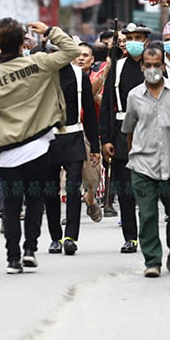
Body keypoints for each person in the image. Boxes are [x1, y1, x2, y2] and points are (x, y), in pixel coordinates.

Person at [0, 20, 78, 274]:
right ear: (24, 41)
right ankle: (30, 249)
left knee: (10, 206)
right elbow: (72, 52)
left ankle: (13, 257)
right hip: (39, 145)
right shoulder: (40, 62)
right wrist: (50, 31)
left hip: (7, 150)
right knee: (35, 200)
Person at [122, 46, 170, 277]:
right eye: (148, 65)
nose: (152, 69)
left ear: (163, 66)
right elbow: (130, 130)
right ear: (142, 66)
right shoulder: (134, 96)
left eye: (157, 65)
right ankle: (152, 260)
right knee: (147, 214)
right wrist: (134, 152)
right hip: (143, 165)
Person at [45, 42, 100, 255]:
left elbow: (88, 109)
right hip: (47, 139)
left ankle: (70, 237)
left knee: (73, 187)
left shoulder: (79, 76)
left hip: (74, 136)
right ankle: (55, 237)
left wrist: (94, 145)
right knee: (50, 190)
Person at [99, 22, 150, 251]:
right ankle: (131, 237)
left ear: (146, 41)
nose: (135, 42)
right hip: (121, 133)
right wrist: (106, 139)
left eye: (140, 38)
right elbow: (108, 105)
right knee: (126, 190)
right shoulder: (117, 68)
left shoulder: (153, 65)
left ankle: (149, 234)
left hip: (149, 132)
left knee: (147, 191)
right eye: (131, 38)